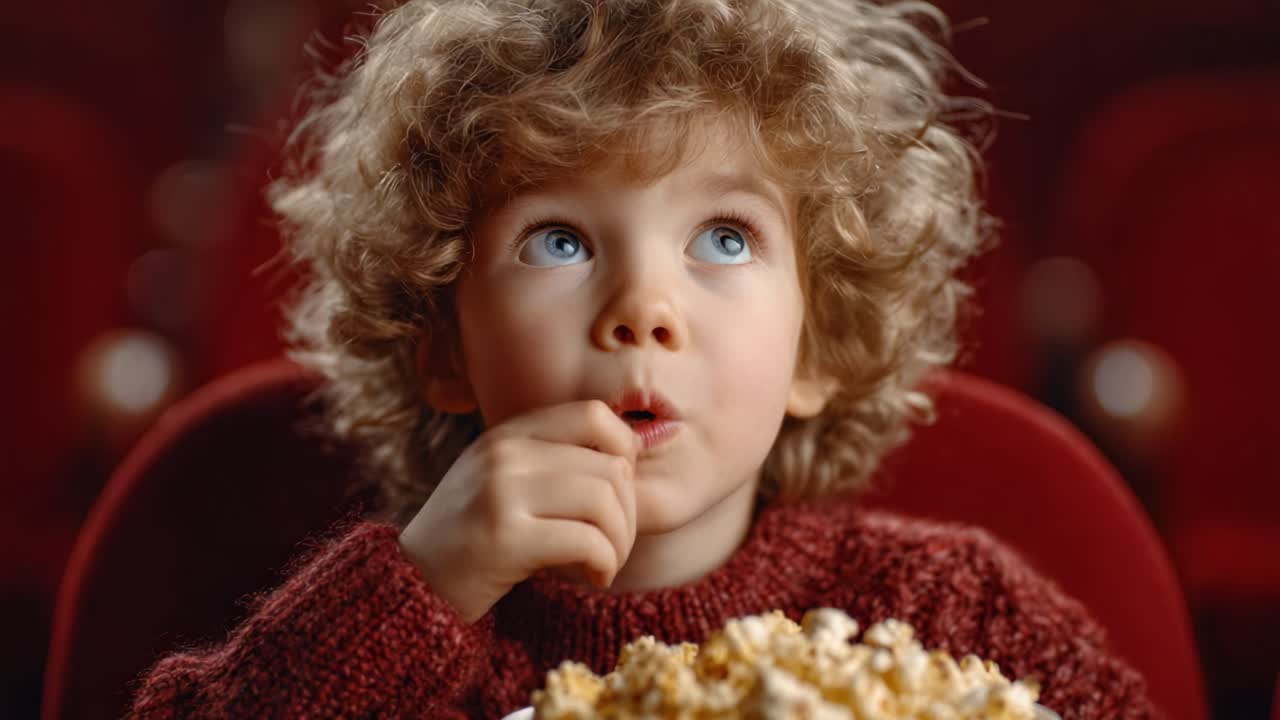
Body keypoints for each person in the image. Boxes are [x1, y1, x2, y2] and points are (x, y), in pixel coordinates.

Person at [127, 0, 1161, 717]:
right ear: (443, 346)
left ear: (818, 342)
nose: (642, 311)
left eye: (723, 237)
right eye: (560, 242)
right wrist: (416, 589)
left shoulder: (957, 616)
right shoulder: (404, 646)